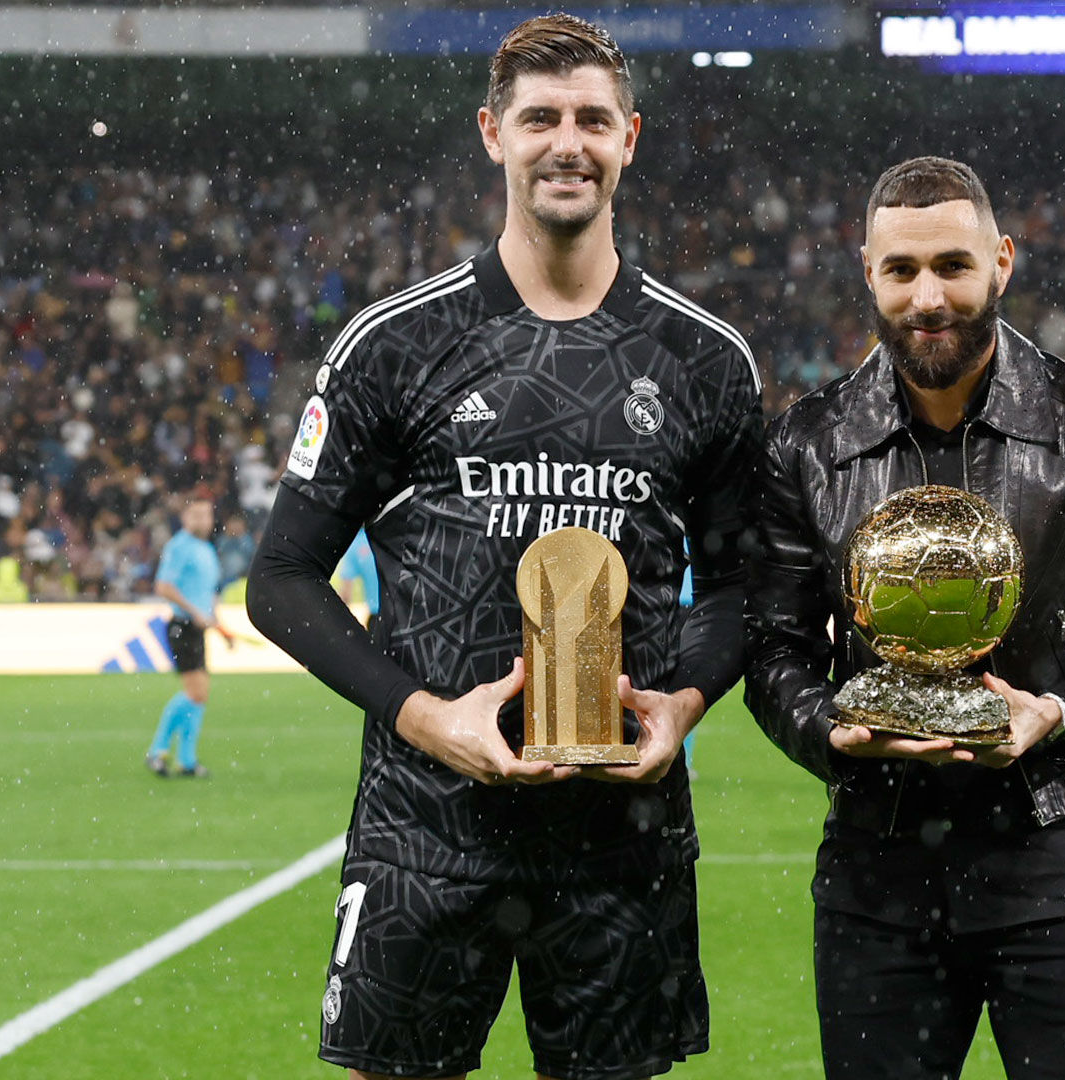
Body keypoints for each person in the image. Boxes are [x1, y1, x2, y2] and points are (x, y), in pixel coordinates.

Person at [246, 15, 761, 1080]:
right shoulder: (393, 345)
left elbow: (747, 583)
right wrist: (424, 718)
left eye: (591, 119)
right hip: (426, 832)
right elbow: (282, 581)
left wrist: (688, 703)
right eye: (540, 118)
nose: (566, 141)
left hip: (622, 838)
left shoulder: (707, 362)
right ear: (493, 134)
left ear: (631, 139)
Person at [745, 156, 1065, 1080]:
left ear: (1002, 261)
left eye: (953, 266)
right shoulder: (807, 445)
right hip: (876, 880)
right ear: (868, 274)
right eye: (902, 270)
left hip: (1058, 868)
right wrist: (833, 734)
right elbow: (774, 650)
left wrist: (1060, 717)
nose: (928, 296)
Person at [146, 498, 231, 779]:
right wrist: (195, 612)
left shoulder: (207, 549)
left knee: (200, 695)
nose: (202, 520)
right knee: (195, 692)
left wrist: (219, 627)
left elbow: (207, 594)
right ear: (185, 517)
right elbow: (163, 586)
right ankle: (157, 750)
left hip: (197, 627)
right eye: (196, 515)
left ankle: (187, 760)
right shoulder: (179, 546)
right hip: (182, 626)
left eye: (206, 514)